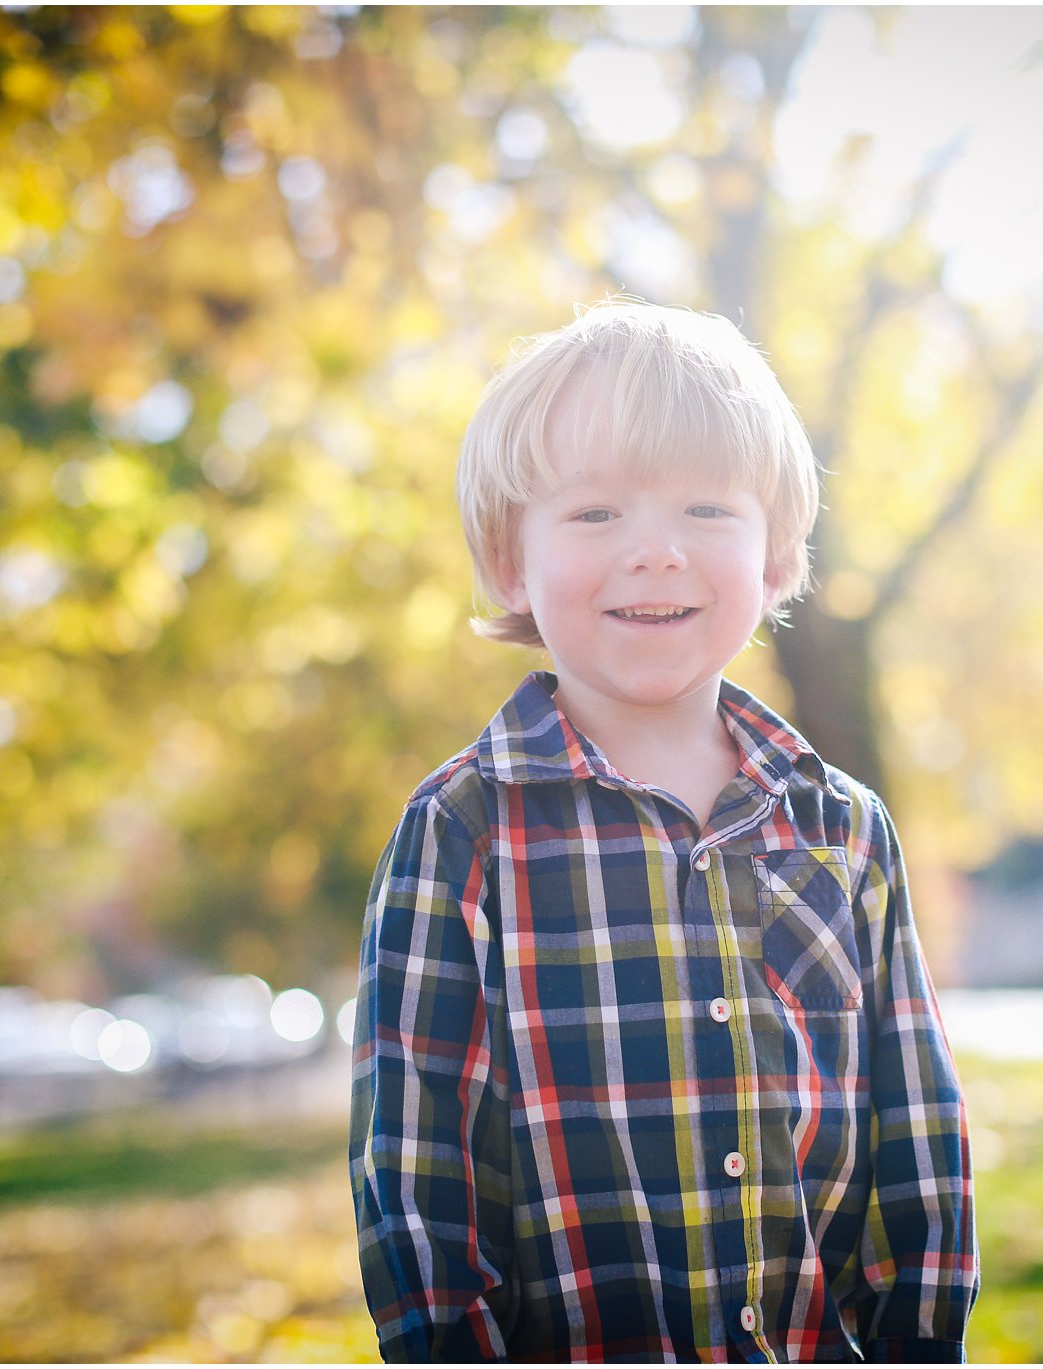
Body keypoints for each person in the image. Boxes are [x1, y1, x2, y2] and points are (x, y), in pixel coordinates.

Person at [350, 299, 978, 1362]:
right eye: (594, 515)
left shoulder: (842, 830)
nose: (654, 554)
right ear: (510, 563)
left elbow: (914, 1145)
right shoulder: (462, 832)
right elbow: (418, 1189)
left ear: (776, 558)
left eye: (704, 510)